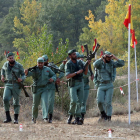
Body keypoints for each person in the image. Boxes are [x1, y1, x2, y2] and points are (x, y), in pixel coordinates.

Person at [93, 51, 124, 121]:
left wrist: (114, 57)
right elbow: (94, 64)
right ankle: (103, 114)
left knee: (108, 102)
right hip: (101, 85)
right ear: (104, 56)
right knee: (99, 101)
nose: (109, 58)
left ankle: (109, 117)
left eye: (110, 57)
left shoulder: (112, 63)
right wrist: (102, 58)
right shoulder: (99, 64)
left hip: (109, 84)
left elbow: (122, 63)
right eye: (107, 57)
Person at [24, 57, 56, 123]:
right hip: (36, 88)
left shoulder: (47, 69)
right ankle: (34, 118)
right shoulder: (34, 69)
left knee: (45, 102)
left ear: (43, 63)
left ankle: (45, 117)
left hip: (45, 88)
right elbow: (28, 74)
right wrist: (26, 72)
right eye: (39, 63)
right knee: (35, 104)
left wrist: (53, 79)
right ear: (37, 63)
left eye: (41, 63)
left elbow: (53, 75)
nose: (40, 64)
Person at [65, 49, 91, 125]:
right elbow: (67, 76)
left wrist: (87, 65)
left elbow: (85, 73)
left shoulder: (80, 62)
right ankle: (70, 115)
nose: (75, 56)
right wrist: (77, 72)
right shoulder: (68, 64)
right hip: (73, 84)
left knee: (80, 101)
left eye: (75, 54)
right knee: (74, 101)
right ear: (70, 56)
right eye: (73, 54)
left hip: (81, 83)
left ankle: (77, 118)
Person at [1, 52, 25, 124]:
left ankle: (16, 119)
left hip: (16, 85)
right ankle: (8, 118)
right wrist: (2, 76)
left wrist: (21, 79)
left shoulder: (19, 65)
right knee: (5, 99)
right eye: (10, 58)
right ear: (7, 59)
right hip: (8, 84)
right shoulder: (5, 64)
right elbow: (2, 70)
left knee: (16, 101)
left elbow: (23, 75)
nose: (11, 59)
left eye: (12, 58)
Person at [42, 55, 64, 123]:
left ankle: (50, 117)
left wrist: (58, 78)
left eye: (44, 61)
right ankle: (45, 117)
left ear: (47, 60)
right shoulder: (40, 66)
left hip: (51, 86)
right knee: (44, 102)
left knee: (51, 102)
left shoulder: (52, 66)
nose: (43, 62)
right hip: (43, 86)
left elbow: (61, 72)